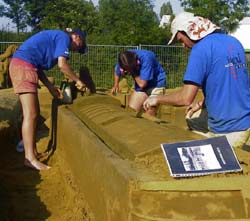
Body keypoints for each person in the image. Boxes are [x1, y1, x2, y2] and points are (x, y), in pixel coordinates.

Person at [144, 12, 250, 148]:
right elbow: (226, 84)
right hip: (246, 118)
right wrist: (200, 104)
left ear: (188, 31)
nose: (183, 46)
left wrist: (156, 99)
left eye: (180, 40)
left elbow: (185, 98)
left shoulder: (200, 49)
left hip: (229, 128)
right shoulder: (233, 42)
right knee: (192, 118)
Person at [9, 29, 89, 170]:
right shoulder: (64, 38)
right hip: (23, 67)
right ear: (76, 37)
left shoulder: (57, 37)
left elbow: (38, 67)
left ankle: (32, 152)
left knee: (35, 112)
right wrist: (78, 81)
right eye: (79, 45)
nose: (76, 49)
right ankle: (29, 159)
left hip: (27, 67)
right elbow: (62, 65)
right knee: (31, 114)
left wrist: (50, 86)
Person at [111, 49, 166, 116]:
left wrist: (132, 71)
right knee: (131, 111)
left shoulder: (146, 58)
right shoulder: (124, 58)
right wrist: (116, 84)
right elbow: (117, 71)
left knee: (150, 110)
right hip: (141, 87)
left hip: (156, 84)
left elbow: (142, 84)